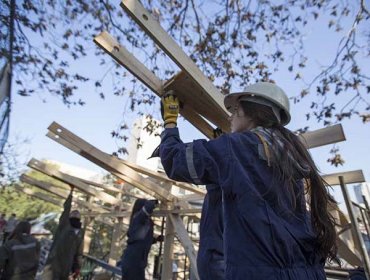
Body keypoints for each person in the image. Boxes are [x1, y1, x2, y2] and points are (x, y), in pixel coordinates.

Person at [158, 82, 338, 279]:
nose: (230, 116)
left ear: (251, 112)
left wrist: (170, 124)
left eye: (235, 110)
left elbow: (176, 161)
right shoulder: (289, 152)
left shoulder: (237, 147)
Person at [42, 187, 84, 280]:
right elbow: (79, 254)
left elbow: (78, 254)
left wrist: (71, 194)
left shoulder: (67, 227)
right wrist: (77, 268)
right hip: (61, 266)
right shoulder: (76, 232)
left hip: (56, 265)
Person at [120, 199, 162, 280]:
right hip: (134, 261)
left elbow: (142, 239)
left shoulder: (140, 221)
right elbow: (148, 206)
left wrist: (155, 239)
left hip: (135, 260)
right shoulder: (139, 217)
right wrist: (156, 201)